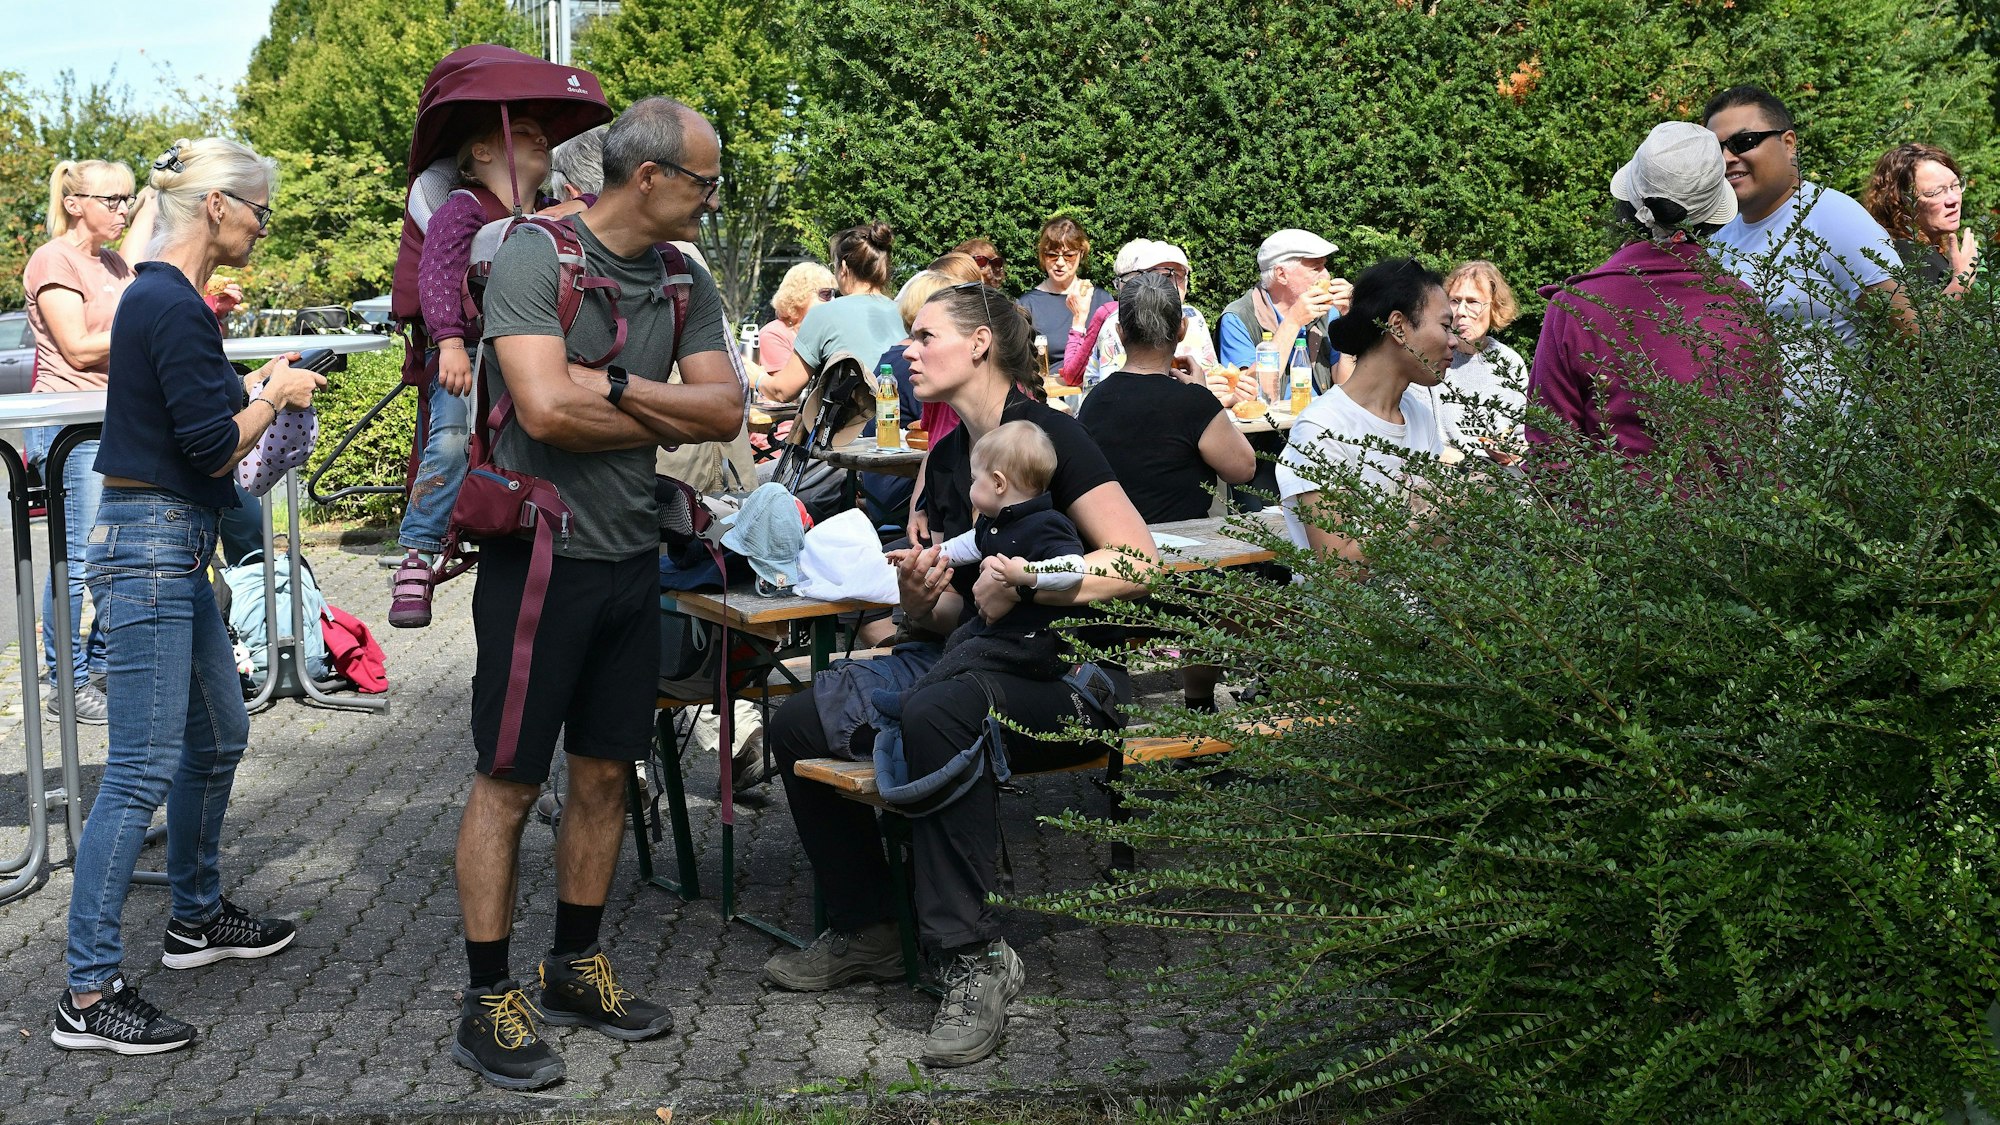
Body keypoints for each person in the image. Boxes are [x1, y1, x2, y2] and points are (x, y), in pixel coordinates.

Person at [762, 284, 1156, 1068]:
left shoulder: (1052, 437)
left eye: (924, 333)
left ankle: (973, 957)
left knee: (938, 708)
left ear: (979, 343)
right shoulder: (944, 460)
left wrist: (1037, 578)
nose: (907, 349)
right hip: (968, 661)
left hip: (1067, 678)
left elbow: (1137, 561)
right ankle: (871, 927)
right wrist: (919, 602)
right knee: (798, 721)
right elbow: (954, 618)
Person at [449, 97, 743, 1090]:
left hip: (630, 561)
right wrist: (651, 411)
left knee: (609, 773)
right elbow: (539, 408)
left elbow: (723, 412)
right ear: (650, 178)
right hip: (537, 562)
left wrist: (611, 390)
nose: (712, 198)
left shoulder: (679, 275)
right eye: (703, 180)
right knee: (509, 779)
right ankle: (487, 997)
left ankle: (574, 964)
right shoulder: (537, 254)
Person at [54, 137, 327, 1055]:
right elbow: (214, 447)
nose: (263, 225)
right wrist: (278, 387)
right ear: (217, 206)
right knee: (134, 773)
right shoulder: (167, 301)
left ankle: (194, 918)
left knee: (219, 732)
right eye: (260, 209)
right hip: (151, 554)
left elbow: (192, 424)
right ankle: (87, 994)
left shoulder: (169, 301)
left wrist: (255, 386)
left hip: (169, 548)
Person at [387, 107, 556, 629]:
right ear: (481, 153)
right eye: (525, 132)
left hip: (529, 353)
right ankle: (417, 553)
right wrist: (450, 341)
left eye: (544, 135)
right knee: (449, 440)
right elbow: (438, 271)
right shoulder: (463, 206)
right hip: (468, 351)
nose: (543, 139)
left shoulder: (559, 207)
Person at [1528, 121, 1773, 459]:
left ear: (1629, 201)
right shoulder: (1743, 304)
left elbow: (1552, 449)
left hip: (1610, 509)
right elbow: (1762, 431)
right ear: (1713, 214)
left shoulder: (1577, 306)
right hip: (1731, 508)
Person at [1077, 272, 1256, 710]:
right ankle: (1199, 699)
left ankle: (1103, 705)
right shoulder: (1192, 402)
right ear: (1180, 332)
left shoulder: (1095, 401)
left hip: (1111, 571)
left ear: (1119, 333)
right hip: (1184, 584)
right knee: (1248, 584)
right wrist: (1201, 395)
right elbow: (1245, 468)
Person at [20, 159, 139, 726]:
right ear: (75, 203)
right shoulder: (53, 260)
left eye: (128, 200)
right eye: (113, 200)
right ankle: (65, 684)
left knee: (113, 553)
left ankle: (100, 670)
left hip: (112, 420)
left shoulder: (115, 261)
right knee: (78, 559)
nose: (123, 210)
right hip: (70, 428)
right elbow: (78, 348)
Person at [1703, 85, 1906, 386]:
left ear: (1788, 143)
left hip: (1835, 431)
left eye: (1743, 142)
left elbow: (1909, 335)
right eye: (1715, 150)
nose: (1727, 158)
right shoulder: (1718, 241)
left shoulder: (1834, 218)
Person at [1275, 259, 1459, 560]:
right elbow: (1338, 571)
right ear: (1398, 326)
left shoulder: (1417, 414)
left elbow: (1433, 546)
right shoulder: (1322, 429)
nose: (1453, 341)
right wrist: (1447, 511)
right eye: (1445, 326)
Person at [760, 222, 901, 403]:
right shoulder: (905, 313)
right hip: (902, 423)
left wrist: (756, 377)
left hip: (851, 428)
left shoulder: (824, 314)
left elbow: (783, 391)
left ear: (843, 267)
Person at [1217, 228, 1353, 396]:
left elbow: (1347, 386)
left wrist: (1350, 321)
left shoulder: (1328, 313)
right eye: (1316, 268)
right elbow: (1252, 392)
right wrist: (1293, 321)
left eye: (1324, 266)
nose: (1326, 275)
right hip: (1272, 421)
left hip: (1321, 418)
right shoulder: (1238, 318)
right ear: (1281, 274)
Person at [1074, 240, 1221, 389]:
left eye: (1179, 275)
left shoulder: (1194, 318)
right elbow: (1121, 394)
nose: (1173, 284)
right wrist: (1200, 391)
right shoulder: (1122, 322)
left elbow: (1214, 377)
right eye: (1163, 276)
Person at [1864, 142, 1978, 294]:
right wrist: (1962, 281)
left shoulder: (1927, 249)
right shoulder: (1911, 258)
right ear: (1900, 201)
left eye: (1955, 186)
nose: (1953, 199)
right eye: (1936, 192)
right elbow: (1927, 318)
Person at [1437, 261, 1527, 449]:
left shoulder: (1510, 363)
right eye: (1454, 301)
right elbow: (1417, 437)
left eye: (1472, 302)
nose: (1461, 312)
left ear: (1494, 307)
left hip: (1499, 474)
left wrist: (1508, 451)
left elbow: (1522, 436)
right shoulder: (1431, 357)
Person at [1014, 216, 1112, 371]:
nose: (1060, 263)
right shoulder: (1027, 305)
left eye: (1069, 256)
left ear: (1081, 254)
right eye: (1052, 255)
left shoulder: (1102, 300)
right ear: (1042, 255)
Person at [757, 261, 836, 384]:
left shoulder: (823, 331)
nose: (833, 301)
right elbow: (783, 389)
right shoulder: (773, 335)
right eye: (826, 294)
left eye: (833, 294)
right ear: (800, 294)